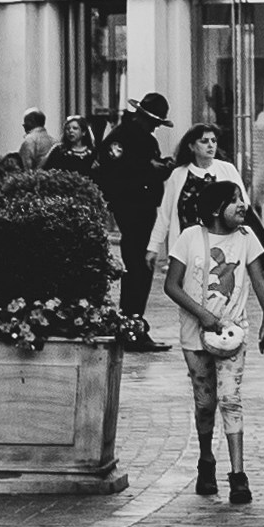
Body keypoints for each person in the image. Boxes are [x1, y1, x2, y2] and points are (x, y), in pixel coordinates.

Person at [159, 165, 264, 503]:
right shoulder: (190, 237)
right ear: (214, 209)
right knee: (205, 403)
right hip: (196, 336)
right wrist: (203, 315)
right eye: (233, 200)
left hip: (234, 333)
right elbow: (171, 285)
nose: (242, 205)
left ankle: (238, 474)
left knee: (231, 400)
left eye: (241, 199)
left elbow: (259, 278)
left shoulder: (247, 238)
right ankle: (206, 460)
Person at [99, 93, 176, 344]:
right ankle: (131, 322)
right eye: (154, 121)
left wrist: (160, 167)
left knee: (142, 266)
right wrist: (152, 169)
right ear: (143, 116)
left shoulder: (145, 138)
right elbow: (117, 169)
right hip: (130, 206)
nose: (155, 126)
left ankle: (134, 320)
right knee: (137, 264)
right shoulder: (122, 137)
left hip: (144, 206)